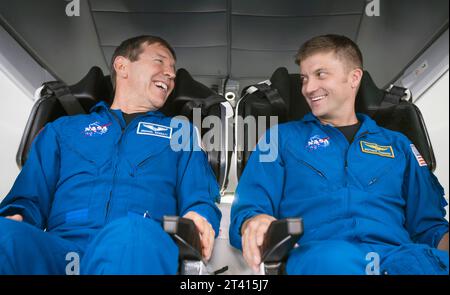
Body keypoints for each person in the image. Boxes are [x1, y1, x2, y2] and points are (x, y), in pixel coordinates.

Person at [0, 35, 221, 274]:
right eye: (160, 62)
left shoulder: (181, 133)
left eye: (173, 71)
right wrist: (16, 217)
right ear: (122, 66)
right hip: (62, 252)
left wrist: (199, 218)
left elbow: (200, 199)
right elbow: (26, 199)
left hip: (137, 249)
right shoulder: (63, 130)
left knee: (130, 233)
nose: (170, 74)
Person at [229, 34, 449, 275]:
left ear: (354, 78)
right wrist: (254, 222)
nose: (308, 88)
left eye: (320, 75)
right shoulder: (279, 139)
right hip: (321, 257)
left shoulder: (399, 145)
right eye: (304, 78)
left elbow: (429, 227)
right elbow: (250, 209)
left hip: (400, 259)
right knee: (334, 260)